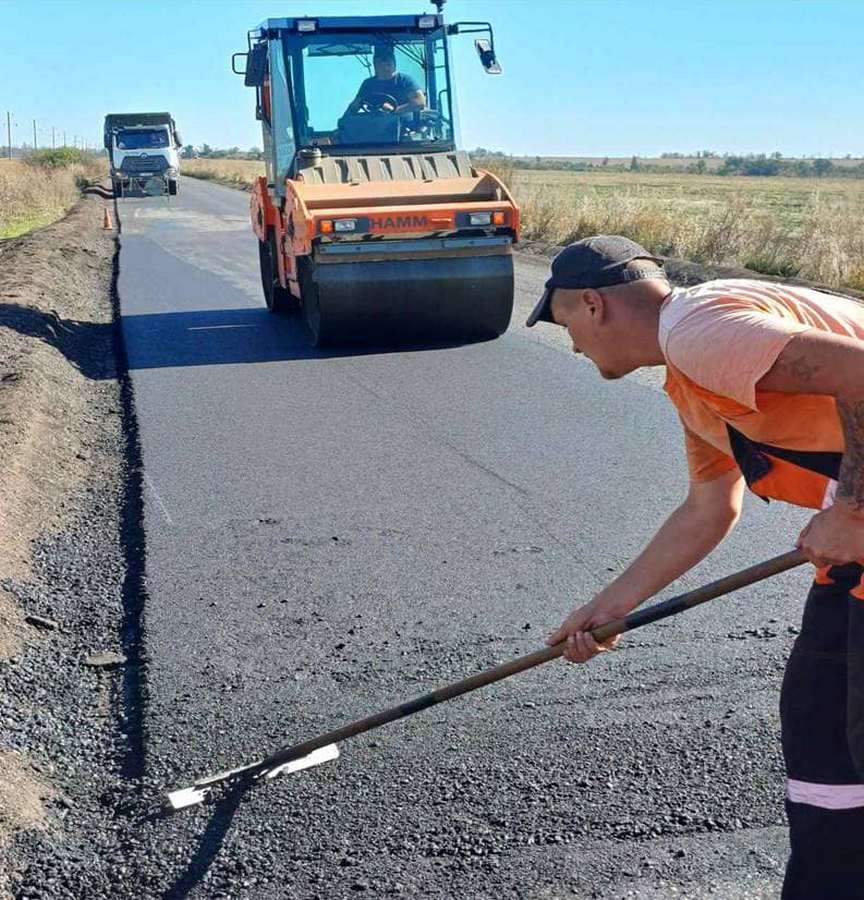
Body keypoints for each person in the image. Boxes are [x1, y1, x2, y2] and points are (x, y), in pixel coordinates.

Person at [526, 235, 864, 899]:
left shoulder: (700, 332)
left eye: (568, 324)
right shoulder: (690, 379)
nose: (572, 345)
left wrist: (851, 509)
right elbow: (711, 506)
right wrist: (612, 606)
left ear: (594, 304)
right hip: (851, 573)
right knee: (819, 722)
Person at [344, 46, 426, 117]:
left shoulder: (405, 81)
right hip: (377, 126)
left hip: (404, 126)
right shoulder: (368, 84)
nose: (385, 66)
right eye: (380, 62)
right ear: (375, 64)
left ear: (393, 63)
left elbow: (419, 102)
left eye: (388, 61)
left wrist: (394, 111)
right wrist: (343, 123)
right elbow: (354, 106)